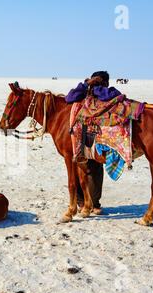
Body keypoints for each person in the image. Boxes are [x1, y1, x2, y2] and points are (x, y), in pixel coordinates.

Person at [65, 71, 122, 214]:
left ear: (106, 83)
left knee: (95, 169)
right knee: (81, 166)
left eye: (100, 82)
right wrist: (86, 85)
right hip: (83, 133)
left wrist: (97, 88)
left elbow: (111, 96)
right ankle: (81, 201)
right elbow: (69, 97)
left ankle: (94, 202)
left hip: (100, 135)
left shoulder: (110, 91)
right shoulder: (85, 91)